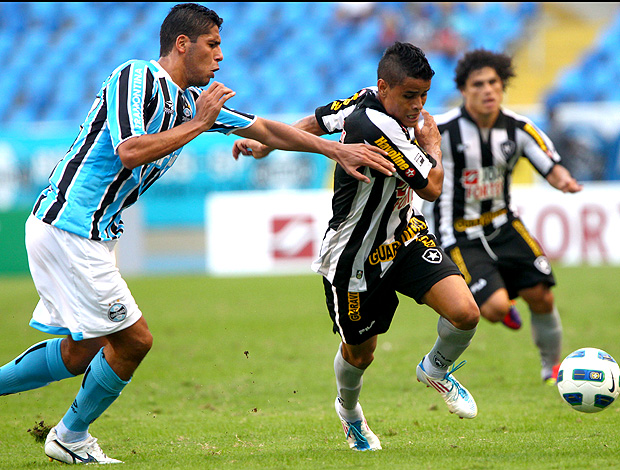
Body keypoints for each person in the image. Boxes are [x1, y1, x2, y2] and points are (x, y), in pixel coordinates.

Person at [0, 3, 395, 465]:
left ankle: (64, 429)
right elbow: (130, 150)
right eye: (213, 44)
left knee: (80, 350)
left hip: (86, 233)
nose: (221, 56)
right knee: (133, 341)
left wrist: (334, 148)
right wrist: (201, 124)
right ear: (182, 44)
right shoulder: (136, 77)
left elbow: (266, 128)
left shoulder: (192, 101)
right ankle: (70, 435)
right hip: (72, 226)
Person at [233, 42, 480, 452]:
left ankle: (436, 368)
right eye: (409, 96)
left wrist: (265, 144)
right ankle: (350, 413)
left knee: (465, 312)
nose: (418, 106)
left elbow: (316, 121)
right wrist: (432, 144)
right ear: (385, 88)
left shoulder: (364, 98)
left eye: (423, 96)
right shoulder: (377, 128)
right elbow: (433, 187)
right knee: (360, 354)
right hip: (354, 258)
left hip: (403, 237)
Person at [429, 49, 582, 384]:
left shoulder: (519, 128)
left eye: (493, 83)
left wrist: (564, 181)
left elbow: (549, 164)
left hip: (505, 224)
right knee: (495, 308)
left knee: (543, 295)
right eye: (478, 84)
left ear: (503, 86)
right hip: (458, 233)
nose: (488, 90)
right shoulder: (439, 129)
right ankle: (502, 305)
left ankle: (552, 368)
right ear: (464, 90)